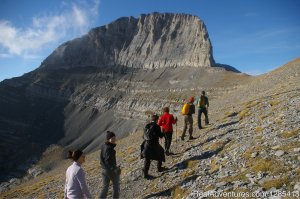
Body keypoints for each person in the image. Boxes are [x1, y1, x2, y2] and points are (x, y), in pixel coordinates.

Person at [141, 114, 166, 179]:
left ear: (151, 119)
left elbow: (143, 136)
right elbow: (160, 136)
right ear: (157, 120)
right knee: (161, 152)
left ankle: (145, 174)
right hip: (154, 144)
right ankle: (159, 168)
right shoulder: (157, 126)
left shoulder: (147, 125)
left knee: (147, 158)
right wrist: (163, 131)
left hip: (146, 144)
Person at [99, 131, 121, 199]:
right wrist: (115, 169)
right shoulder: (109, 148)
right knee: (116, 186)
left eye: (114, 138)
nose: (114, 139)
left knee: (105, 188)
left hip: (103, 170)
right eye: (112, 138)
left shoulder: (104, 145)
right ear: (108, 139)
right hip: (110, 170)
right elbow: (108, 161)